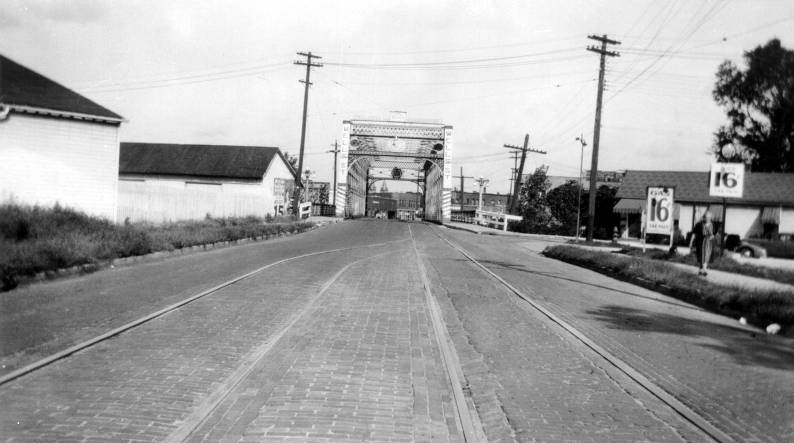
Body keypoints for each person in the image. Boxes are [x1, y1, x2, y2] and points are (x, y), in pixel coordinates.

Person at [689, 211, 715, 276]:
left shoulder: (712, 225)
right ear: (704, 217)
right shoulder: (699, 224)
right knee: (701, 256)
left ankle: (703, 270)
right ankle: (703, 270)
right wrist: (691, 242)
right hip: (700, 242)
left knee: (707, 256)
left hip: (708, 243)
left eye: (709, 217)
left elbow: (713, 234)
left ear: (711, 218)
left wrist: (712, 237)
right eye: (707, 217)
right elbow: (694, 234)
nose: (708, 219)